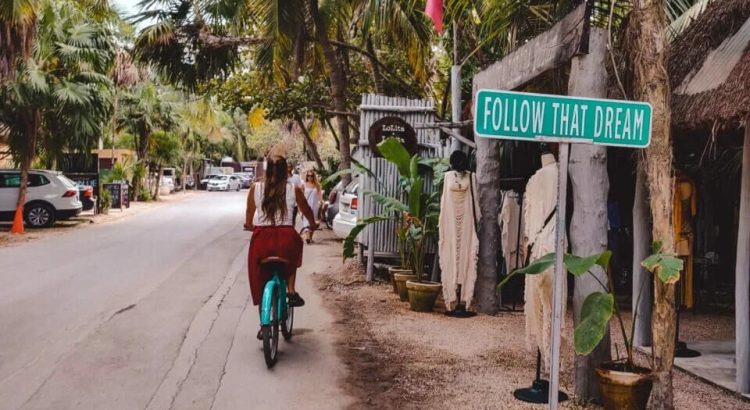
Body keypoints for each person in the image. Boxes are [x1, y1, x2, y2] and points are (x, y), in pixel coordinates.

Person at [245, 153, 318, 340]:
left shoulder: (256, 188)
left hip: (262, 237)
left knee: (261, 278)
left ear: (267, 170)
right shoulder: (294, 189)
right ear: (286, 170)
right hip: (286, 236)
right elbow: (307, 211)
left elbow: (249, 212)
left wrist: (249, 225)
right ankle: (291, 290)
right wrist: (313, 224)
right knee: (292, 255)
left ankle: (264, 325)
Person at [301, 170, 323, 244]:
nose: (310, 177)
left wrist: (321, 202)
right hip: (306, 205)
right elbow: (301, 196)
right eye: (308, 176)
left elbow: (320, 195)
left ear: (314, 176)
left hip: (314, 206)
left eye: (311, 176)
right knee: (306, 221)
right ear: (306, 176)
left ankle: (310, 237)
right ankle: (307, 237)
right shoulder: (304, 185)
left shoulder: (317, 185)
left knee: (313, 222)